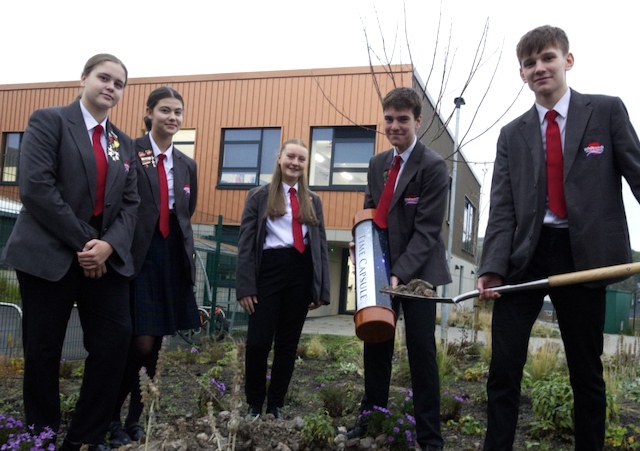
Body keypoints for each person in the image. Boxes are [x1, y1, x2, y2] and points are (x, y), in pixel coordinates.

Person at [477, 25, 640, 451]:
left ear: (568, 60)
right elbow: (502, 208)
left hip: (584, 257)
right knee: (504, 368)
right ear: (522, 74)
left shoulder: (605, 111)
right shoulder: (512, 134)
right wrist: (492, 267)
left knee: (586, 371)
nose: (539, 68)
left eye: (547, 57)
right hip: (525, 258)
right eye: (530, 63)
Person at [1, 54, 139, 451]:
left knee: (116, 341)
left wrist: (107, 245)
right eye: (104, 78)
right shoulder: (49, 121)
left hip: (103, 261)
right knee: (43, 349)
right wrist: (86, 244)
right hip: (49, 256)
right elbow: (37, 189)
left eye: (119, 83)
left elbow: (131, 206)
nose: (111, 87)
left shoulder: (122, 143)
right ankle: (41, 436)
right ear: (84, 78)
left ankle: (85, 437)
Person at [348, 87, 451, 451]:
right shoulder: (378, 165)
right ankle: (371, 418)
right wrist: (360, 245)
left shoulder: (434, 167)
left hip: (420, 273)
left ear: (417, 121)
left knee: (421, 351)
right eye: (389, 119)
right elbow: (371, 212)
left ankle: (429, 437)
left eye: (403, 120)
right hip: (381, 269)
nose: (394, 126)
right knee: (376, 343)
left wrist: (399, 273)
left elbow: (427, 232)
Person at [107, 86, 200, 447]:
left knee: (156, 344)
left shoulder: (187, 164)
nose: (172, 117)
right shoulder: (130, 150)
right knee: (138, 343)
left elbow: (184, 214)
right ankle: (110, 416)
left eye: (178, 112)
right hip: (136, 259)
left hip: (170, 258)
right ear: (148, 113)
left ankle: (134, 418)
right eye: (165, 110)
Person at [235, 138, 330, 418]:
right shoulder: (258, 196)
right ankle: (254, 403)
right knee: (258, 342)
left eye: (301, 159)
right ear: (279, 158)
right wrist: (245, 287)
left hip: (300, 273)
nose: (295, 163)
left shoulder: (314, 201)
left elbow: (321, 246)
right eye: (291, 156)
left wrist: (320, 290)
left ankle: (275, 404)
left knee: (287, 345)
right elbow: (245, 243)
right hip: (268, 271)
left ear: (306, 164)